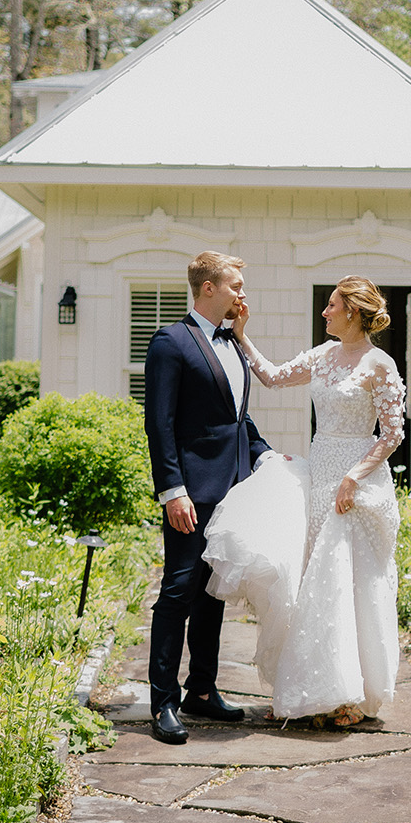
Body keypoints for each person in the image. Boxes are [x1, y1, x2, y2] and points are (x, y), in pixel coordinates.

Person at [205, 275, 406, 727]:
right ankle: (327, 688)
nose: (325, 312)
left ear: (352, 311)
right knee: (319, 581)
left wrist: (354, 478)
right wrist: (242, 336)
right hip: (321, 475)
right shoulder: (322, 356)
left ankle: (353, 695)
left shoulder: (379, 365)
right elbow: (274, 378)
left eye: (332, 305)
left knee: (352, 581)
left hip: (358, 482)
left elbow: (393, 434)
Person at [141, 251, 273, 745]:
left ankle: (202, 690)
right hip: (191, 496)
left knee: (213, 596)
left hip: (234, 492)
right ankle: (163, 703)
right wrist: (172, 490)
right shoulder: (170, 342)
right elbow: (160, 424)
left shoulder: (234, 343)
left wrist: (263, 454)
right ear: (208, 288)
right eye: (235, 285)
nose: (242, 293)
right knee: (177, 594)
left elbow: (235, 417)